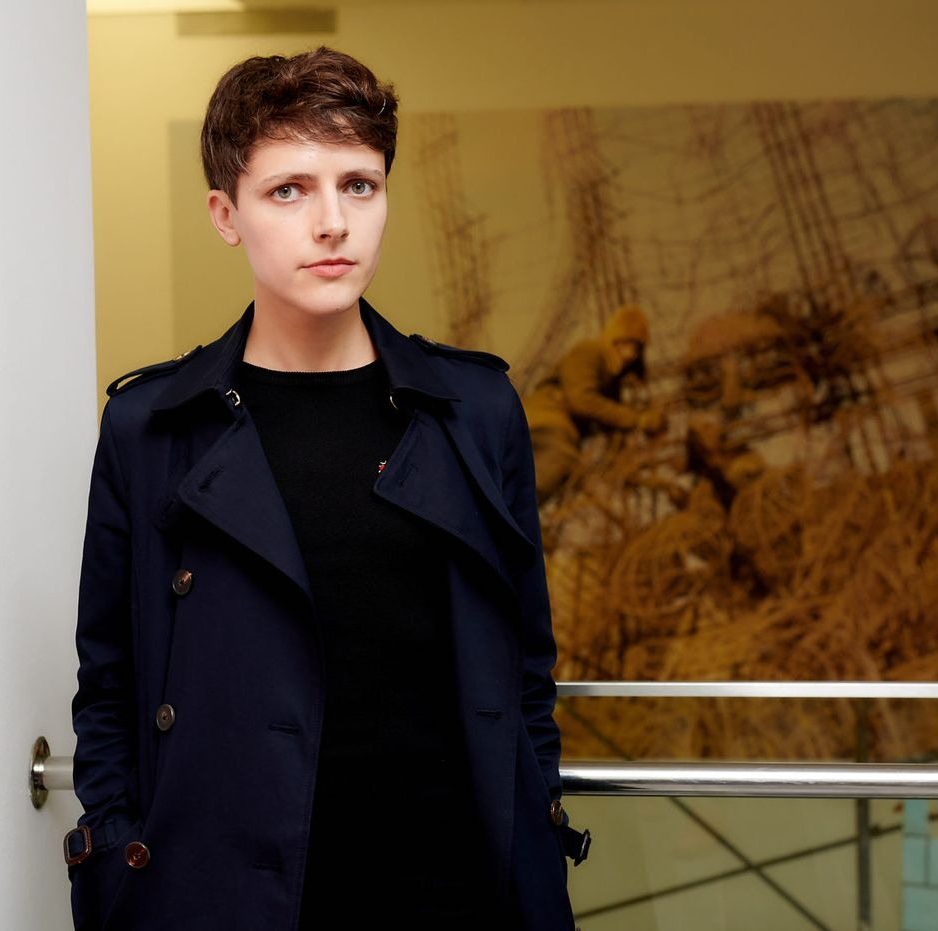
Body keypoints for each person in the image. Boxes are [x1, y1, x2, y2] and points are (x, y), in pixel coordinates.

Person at [64, 47, 588, 930]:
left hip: (451, 891)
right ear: (225, 215)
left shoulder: (475, 409)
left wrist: (533, 830)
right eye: (289, 190)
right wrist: (120, 859)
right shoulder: (151, 427)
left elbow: (525, 665)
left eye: (359, 185)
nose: (333, 222)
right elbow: (109, 682)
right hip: (224, 896)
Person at [522, 304, 665, 502]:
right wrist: (638, 419)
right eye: (626, 344)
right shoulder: (589, 351)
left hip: (545, 427)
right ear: (614, 339)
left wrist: (644, 422)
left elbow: (609, 417)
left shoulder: (610, 381)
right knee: (556, 464)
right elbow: (581, 400)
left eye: (636, 348)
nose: (630, 354)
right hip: (546, 422)